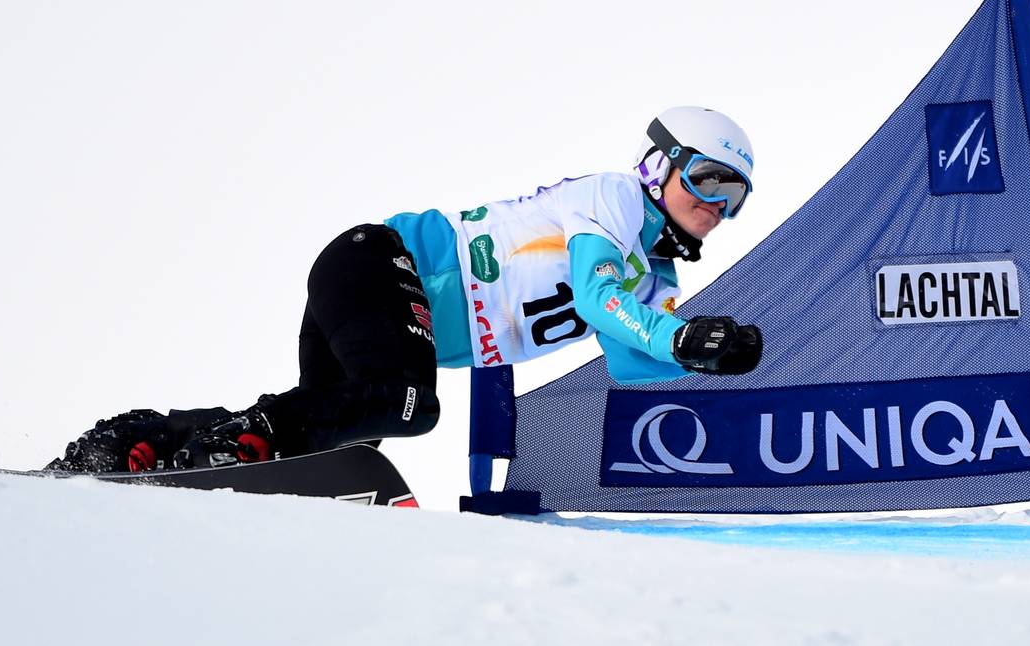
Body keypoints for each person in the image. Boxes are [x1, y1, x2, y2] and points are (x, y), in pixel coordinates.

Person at [46, 106, 764, 473]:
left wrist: (704, 354)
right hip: (379, 264)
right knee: (408, 406)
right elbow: (594, 296)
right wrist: (678, 335)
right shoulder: (611, 203)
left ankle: (138, 441)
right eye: (707, 179)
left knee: (322, 436)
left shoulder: (659, 279)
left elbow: (629, 358)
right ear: (657, 167)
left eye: (734, 196)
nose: (717, 206)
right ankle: (221, 441)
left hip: (379, 299)